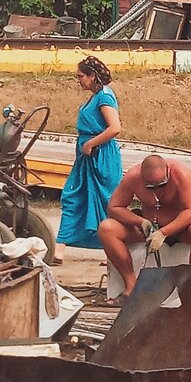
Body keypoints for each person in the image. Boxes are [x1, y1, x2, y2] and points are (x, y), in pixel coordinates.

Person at [98, 154, 191, 299]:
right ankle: (131, 284)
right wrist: (140, 222)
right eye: (151, 187)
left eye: (162, 185)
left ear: (167, 171)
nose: (157, 190)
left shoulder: (180, 173)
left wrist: (164, 232)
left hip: (181, 227)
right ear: (142, 177)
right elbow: (114, 207)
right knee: (106, 228)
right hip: (150, 227)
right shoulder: (133, 176)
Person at [53, 56, 122, 263]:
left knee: (107, 203)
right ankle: (59, 248)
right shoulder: (94, 96)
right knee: (73, 197)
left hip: (101, 158)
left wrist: (91, 144)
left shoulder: (105, 98)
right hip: (86, 160)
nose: (79, 81)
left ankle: (114, 249)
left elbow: (115, 128)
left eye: (81, 76)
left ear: (93, 76)